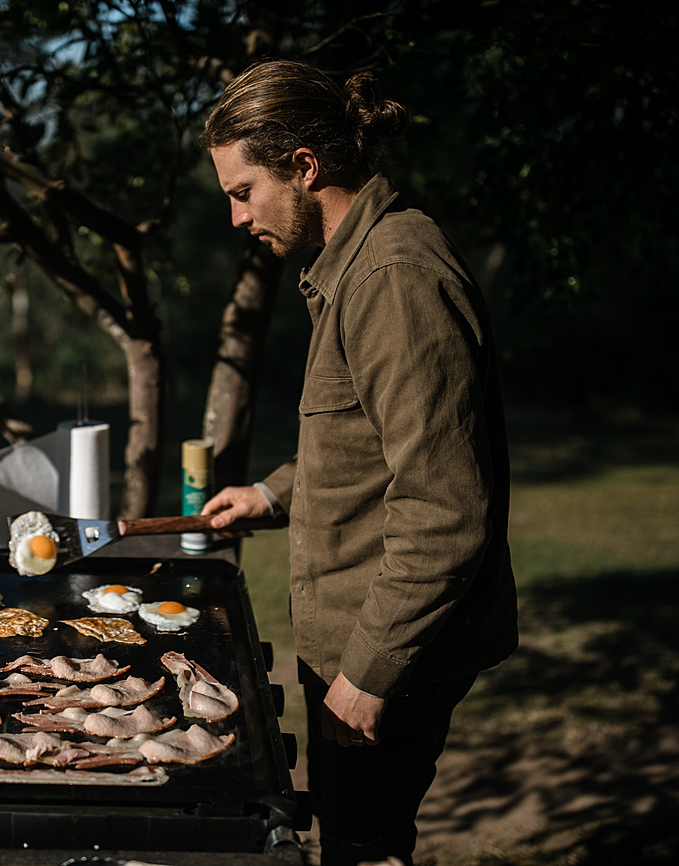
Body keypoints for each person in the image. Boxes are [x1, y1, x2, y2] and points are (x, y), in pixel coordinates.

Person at [196, 60, 518, 866]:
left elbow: (444, 508)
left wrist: (368, 675)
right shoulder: (353, 263)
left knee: (361, 849)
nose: (235, 218)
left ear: (305, 168)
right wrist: (269, 495)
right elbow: (365, 441)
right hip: (363, 641)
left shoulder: (393, 277)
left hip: (386, 651)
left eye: (242, 192)